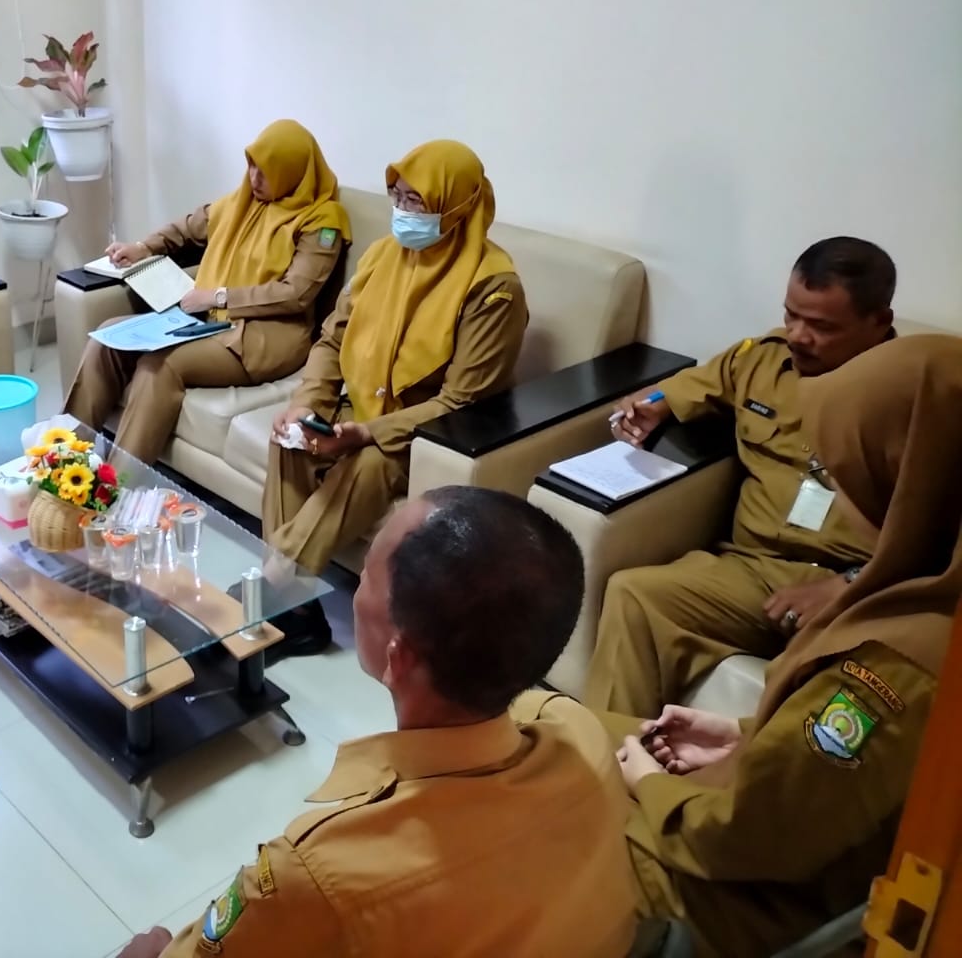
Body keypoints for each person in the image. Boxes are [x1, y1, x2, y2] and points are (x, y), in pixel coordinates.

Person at [117, 487, 638, 958]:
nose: (357, 584)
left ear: (397, 657)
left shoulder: (321, 871)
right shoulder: (580, 731)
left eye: (364, 574)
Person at [601, 335, 960, 958]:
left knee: (539, 828)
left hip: (741, 894)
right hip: (756, 818)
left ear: (909, 482)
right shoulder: (915, 605)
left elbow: (746, 838)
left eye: (850, 468)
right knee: (555, 723)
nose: (836, 486)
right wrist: (746, 731)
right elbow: (853, 770)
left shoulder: (899, 665)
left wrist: (649, 784)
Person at [585, 237, 897, 717]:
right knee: (635, 594)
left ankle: (731, 784)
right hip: (752, 570)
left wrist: (850, 584)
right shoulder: (762, 360)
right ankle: (610, 764)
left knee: (845, 678)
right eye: (792, 314)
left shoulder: (922, 399)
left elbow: (941, 541)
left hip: (857, 590)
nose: (797, 334)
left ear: (879, 323)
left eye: (820, 326)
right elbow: (673, 392)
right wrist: (647, 409)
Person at [262, 140, 527, 656]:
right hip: (357, 407)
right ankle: (296, 610)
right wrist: (308, 405)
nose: (403, 213)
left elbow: (461, 401)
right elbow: (334, 338)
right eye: (398, 198)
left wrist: (365, 432)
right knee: (290, 437)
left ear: (457, 208)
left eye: (417, 203)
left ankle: (275, 584)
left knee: (367, 463)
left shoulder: (494, 288)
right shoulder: (384, 255)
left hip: (420, 435)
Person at [64, 119, 349, 464]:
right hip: (207, 318)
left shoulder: (322, 220)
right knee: (107, 337)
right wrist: (144, 247)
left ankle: (119, 488)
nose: (255, 179)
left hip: (266, 335)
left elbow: (295, 293)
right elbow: (188, 229)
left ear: (292, 171)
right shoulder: (242, 201)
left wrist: (217, 296)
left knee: (162, 364)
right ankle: (64, 459)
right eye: (252, 167)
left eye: (267, 172)